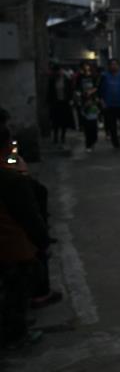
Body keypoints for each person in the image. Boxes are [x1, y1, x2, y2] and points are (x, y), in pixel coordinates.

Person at [0, 124, 48, 348]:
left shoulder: (8, 169)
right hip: (12, 242)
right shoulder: (11, 177)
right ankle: (15, 334)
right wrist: (41, 238)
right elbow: (29, 213)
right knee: (16, 287)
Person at [98, 59, 120, 149]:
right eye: (112, 64)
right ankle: (116, 143)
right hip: (109, 105)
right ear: (108, 66)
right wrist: (102, 101)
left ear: (119, 66)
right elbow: (100, 90)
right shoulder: (104, 76)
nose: (113, 66)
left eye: (115, 64)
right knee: (112, 126)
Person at [47, 64, 75, 146]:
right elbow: (50, 92)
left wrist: (70, 99)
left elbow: (70, 90)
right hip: (56, 103)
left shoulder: (66, 80)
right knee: (55, 121)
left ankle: (63, 136)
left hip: (65, 102)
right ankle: (55, 136)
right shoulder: (52, 81)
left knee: (64, 121)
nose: (58, 73)